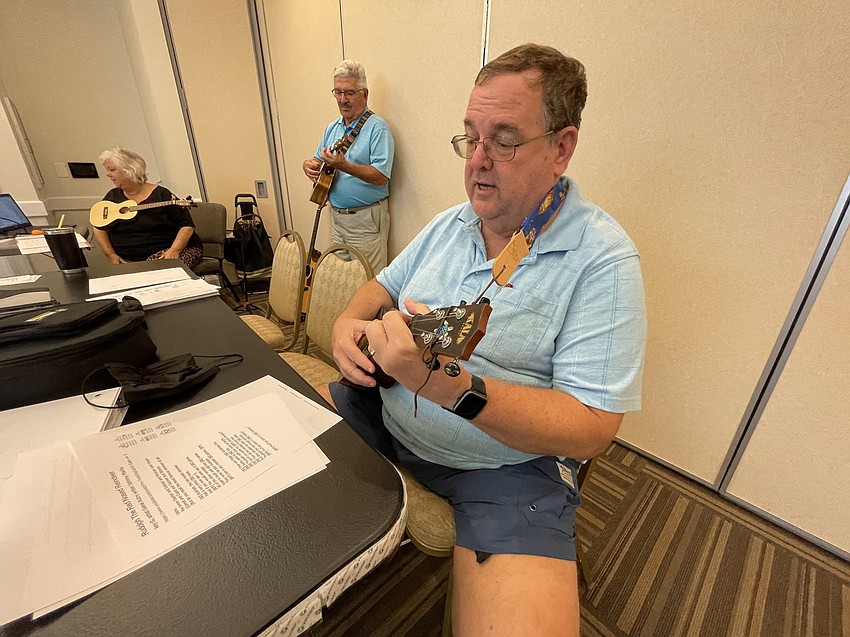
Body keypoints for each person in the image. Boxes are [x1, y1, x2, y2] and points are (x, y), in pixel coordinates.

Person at [319, 44, 647, 635]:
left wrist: (449, 387)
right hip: (382, 412)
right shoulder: (451, 223)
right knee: (262, 501)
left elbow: (593, 427)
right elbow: (380, 288)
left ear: (562, 147)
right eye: (470, 137)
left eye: (504, 141)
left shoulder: (604, 261)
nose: (477, 162)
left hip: (504, 469)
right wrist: (347, 323)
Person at [302, 60, 395, 272]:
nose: (343, 100)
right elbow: (318, 160)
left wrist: (345, 166)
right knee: (339, 279)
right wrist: (308, 165)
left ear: (365, 94)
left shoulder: (378, 129)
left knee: (368, 281)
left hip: (365, 220)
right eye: (338, 92)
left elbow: (381, 176)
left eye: (350, 93)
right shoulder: (332, 128)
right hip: (337, 218)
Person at [93, 147, 203, 268]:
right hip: (127, 260)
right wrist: (110, 255)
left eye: (112, 170)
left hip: (164, 253)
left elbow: (186, 226)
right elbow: (99, 228)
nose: (108, 174)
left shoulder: (162, 194)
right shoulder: (112, 196)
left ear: (130, 170)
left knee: (161, 271)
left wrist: (174, 250)